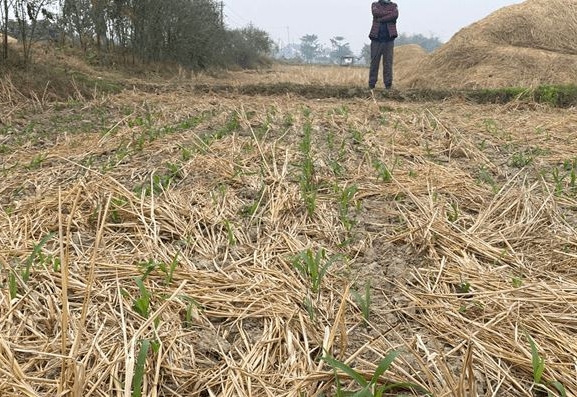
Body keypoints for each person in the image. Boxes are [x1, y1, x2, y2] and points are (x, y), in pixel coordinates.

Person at [368, 0, 399, 90]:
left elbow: (395, 15)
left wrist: (381, 19)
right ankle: (371, 84)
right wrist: (388, 14)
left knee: (388, 63)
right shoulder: (375, 5)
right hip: (376, 38)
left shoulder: (394, 5)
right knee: (374, 63)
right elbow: (376, 13)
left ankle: (388, 85)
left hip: (389, 39)